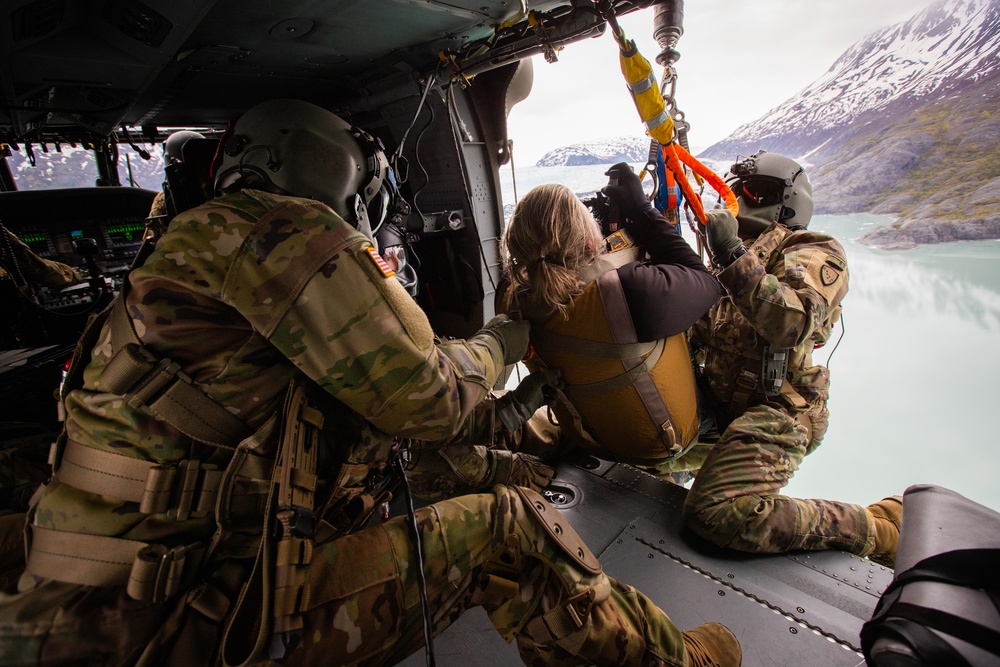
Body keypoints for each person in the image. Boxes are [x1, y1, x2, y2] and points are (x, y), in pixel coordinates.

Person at [0, 99, 741, 667]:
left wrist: (522, 402)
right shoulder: (282, 236)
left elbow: (397, 423)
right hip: (171, 623)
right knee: (510, 526)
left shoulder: (194, 247)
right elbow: (433, 396)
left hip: (123, 588)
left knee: (463, 466)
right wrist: (500, 342)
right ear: (334, 173)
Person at [686, 149, 902, 565]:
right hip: (719, 404)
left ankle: (875, 527)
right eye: (737, 190)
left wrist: (732, 254)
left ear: (787, 200)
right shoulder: (723, 261)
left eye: (754, 190)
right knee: (635, 445)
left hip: (780, 411)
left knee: (715, 516)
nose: (741, 198)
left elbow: (793, 322)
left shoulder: (812, 249)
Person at [498, 165, 723, 469]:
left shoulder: (512, 300)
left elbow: (568, 282)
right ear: (589, 241)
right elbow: (707, 282)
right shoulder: (629, 292)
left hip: (597, 439)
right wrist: (643, 212)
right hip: (664, 439)